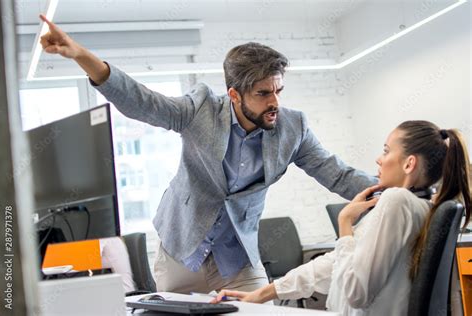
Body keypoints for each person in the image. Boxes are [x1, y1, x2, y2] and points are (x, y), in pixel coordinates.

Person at [39, 14, 376, 294]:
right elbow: (142, 102)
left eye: (278, 90)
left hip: (238, 257)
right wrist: (81, 55)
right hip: (181, 251)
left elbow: (337, 173)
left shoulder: (293, 127)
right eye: (263, 93)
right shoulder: (200, 110)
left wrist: (398, 189)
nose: (274, 101)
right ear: (234, 94)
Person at [213, 121, 471, 315]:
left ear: (409, 164)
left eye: (386, 150)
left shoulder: (396, 202)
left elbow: (355, 292)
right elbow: (336, 263)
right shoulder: (421, 206)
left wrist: (345, 224)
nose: (379, 160)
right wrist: (263, 293)